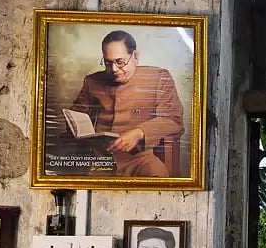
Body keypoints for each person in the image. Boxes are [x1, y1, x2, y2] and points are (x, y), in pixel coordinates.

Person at [68, 30, 184, 177]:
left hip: (139, 159)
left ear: (135, 56)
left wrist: (138, 133)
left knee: (158, 178)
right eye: (108, 63)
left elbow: (173, 119)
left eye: (120, 62)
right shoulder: (92, 81)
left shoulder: (159, 78)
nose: (114, 69)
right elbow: (76, 114)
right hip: (99, 160)